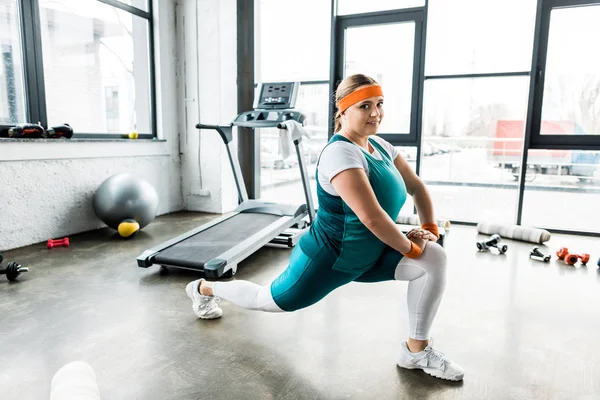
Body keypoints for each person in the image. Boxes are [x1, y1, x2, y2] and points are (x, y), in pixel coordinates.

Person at [185, 74, 464, 381]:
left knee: (434, 258)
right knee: (266, 301)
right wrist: (409, 246)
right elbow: (371, 217)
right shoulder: (340, 153)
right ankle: (204, 287)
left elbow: (416, 187)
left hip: (371, 252)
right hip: (330, 259)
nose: (375, 113)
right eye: (364, 106)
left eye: (380, 104)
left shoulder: (380, 146)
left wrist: (429, 229)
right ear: (343, 111)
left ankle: (416, 351)